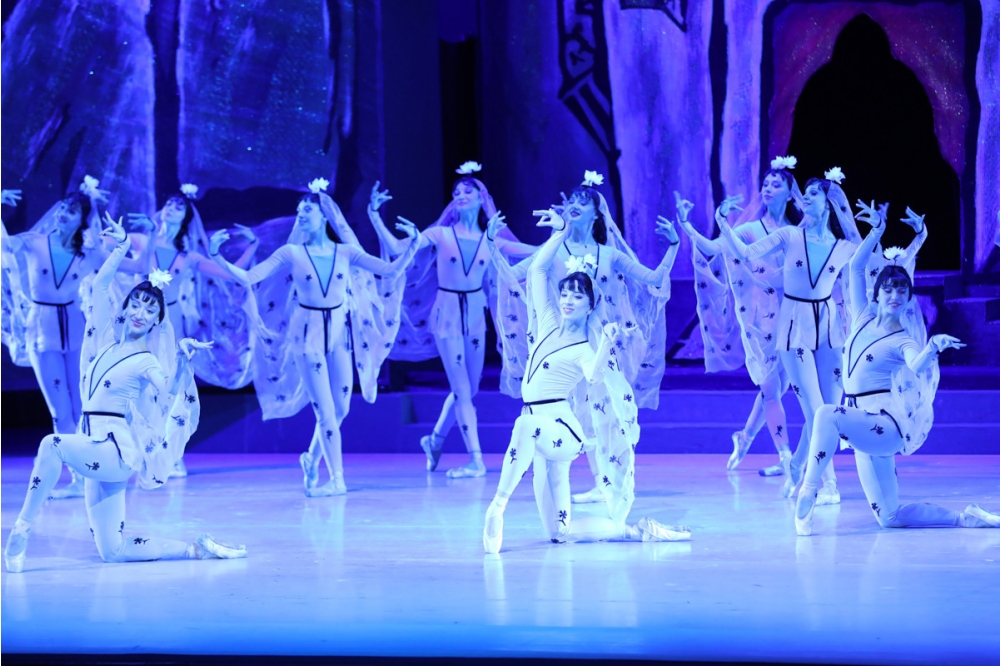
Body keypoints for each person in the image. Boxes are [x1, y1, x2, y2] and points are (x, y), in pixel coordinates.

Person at [3, 214, 245, 573]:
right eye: (136, 304)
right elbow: (100, 287)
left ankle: (21, 529)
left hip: (113, 450)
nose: (140, 313)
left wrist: (181, 362)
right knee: (112, 550)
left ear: (157, 320)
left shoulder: (147, 360)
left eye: (150, 309)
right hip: (93, 446)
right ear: (126, 307)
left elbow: (167, 393)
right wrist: (120, 248)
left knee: (51, 445)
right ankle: (196, 549)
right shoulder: (103, 340)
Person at [482, 208, 690, 553]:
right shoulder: (546, 322)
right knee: (560, 532)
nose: (567, 300)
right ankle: (637, 531)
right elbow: (536, 270)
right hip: (539, 433)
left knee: (524, 426)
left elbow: (593, 374)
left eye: (577, 296)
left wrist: (606, 340)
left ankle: (496, 508)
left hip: (560, 431)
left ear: (591, 305)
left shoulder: (584, 347)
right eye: (565, 294)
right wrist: (560, 232)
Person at [794, 201, 999, 535]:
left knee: (826, 414)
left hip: (883, 425)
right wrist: (877, 230)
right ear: (877, 295)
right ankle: (964, 517)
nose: (894, 295)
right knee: (890, 517)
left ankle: (809, 489)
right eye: (888, 289)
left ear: (908, 299)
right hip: (862, 426)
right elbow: (855, 268)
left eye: (902, 291)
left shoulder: (903, 339)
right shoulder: (861, 316)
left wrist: (932, 347)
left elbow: (916, 364)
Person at [209, 178, 418, 496]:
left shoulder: (346, 252)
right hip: (307, 338)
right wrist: (217, 257)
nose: (301, 215)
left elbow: (389, 271)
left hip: (339, 336)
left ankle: (311, 456)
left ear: (324, 216)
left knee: (341, 409)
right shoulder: (291, 253)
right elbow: (250, 277)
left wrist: (413, 245)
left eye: (307, 210)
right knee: (325, 412)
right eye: (299, 211)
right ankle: (336, 480)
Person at [366, 163, 536, 478]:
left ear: (481, 198)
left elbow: (535, 253)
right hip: (447, 315)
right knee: (461, 389)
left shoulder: (491, 240)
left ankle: (434, 440)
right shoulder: (441, 234)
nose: (460, 195)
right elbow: (395, 248)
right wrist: (375, 216)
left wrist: (567, 231)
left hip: (475, 317)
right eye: (456, 192)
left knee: (469, 389)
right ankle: (476, 460)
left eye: (467, 192)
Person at [719, 168, 862, 501]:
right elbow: (746, 253)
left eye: (813, 194)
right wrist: (722, 221)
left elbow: (874, 264)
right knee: (815, 410)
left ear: (828, 203)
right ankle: (826, 485)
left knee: (830, 408)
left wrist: (888, 230)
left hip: (829, 330)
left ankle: (797, 466)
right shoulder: (789, 236)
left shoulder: (844, 246)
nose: (805, 198)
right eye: (804, 193)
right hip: (793, 329)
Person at [1, 178, 148, 498]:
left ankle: (89, 475)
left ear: (82, 219)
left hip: (78, 333)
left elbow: (139, 265)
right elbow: (4, 247)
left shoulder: (89, 255)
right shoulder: (34, 242)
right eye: (62, 208)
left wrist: (127, 240)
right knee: (60, 410)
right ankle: (77, 479)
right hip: (41, 332)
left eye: (71, 210)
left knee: (84, 405)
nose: (62, 213)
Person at [678, 156, 809, 476]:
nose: (768, 188)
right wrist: (687, 225)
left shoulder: (798, 231)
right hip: (760, 320)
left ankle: (746, 436)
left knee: (777, 389)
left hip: (793, 315)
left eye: (776, 184)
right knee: (770, 389)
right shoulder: (750, 229)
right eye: (765, 184)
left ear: (790, 193)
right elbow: (713, 249)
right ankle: (786, 457)